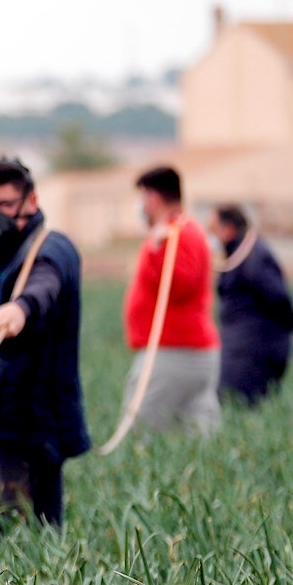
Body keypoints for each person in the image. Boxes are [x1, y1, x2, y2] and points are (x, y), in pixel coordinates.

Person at [0, 157, 89, 527]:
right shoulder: (5, 253)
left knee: (26, 539)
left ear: (31, 201)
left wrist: (20, 310)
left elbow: (44, 286)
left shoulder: (51, 249)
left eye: (3, 205)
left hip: (32, 424)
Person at [123, 166, 221, 436]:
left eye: (143, 199)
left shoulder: (177, 234)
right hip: (190, 351)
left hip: (172, 352)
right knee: (196, 436)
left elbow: (180, 285)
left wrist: (156, 251)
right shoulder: (187, 230)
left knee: (141, 434)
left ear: (153, 199)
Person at [210, 203, 293, 406]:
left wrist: (290, 319)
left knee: (239, 406)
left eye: (213, 229)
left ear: (229, 228)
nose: (210, 235)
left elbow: (277, 296)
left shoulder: (253, 255)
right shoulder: (239, 252)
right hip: (241, 348)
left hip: (254, 352)